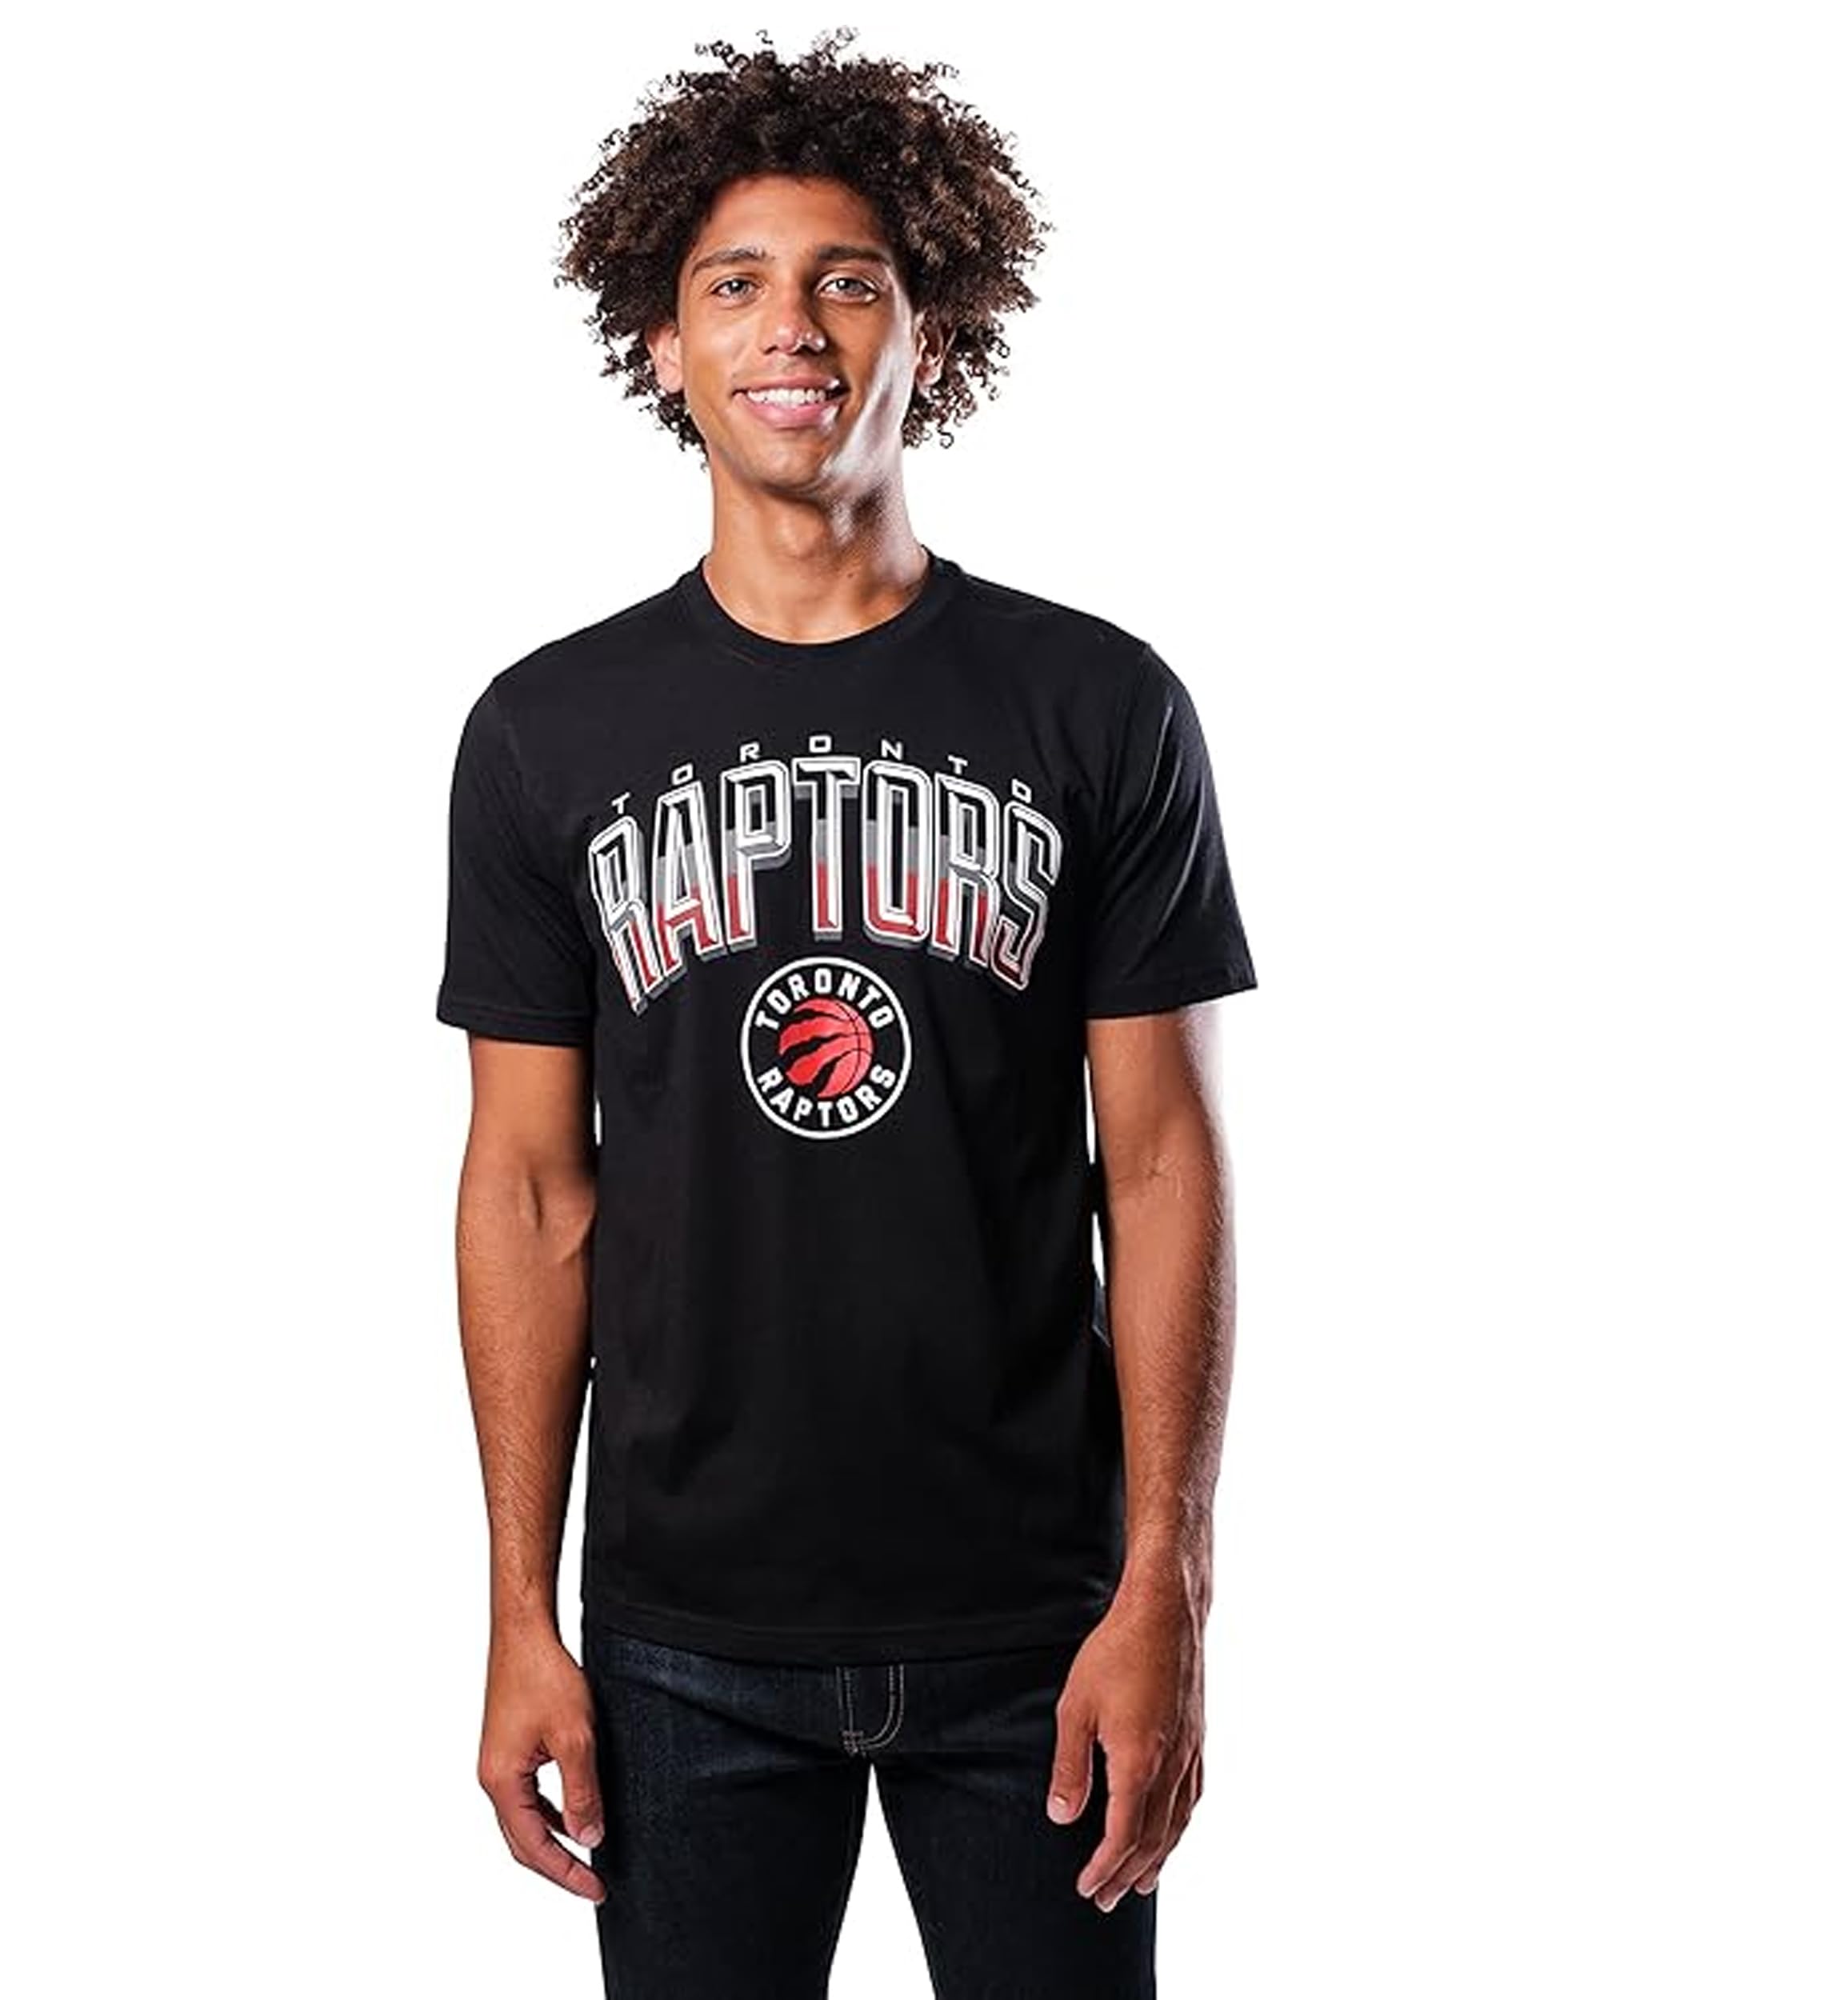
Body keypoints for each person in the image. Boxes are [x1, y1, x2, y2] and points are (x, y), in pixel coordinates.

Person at [435, 30, 1258, 1998]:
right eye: (732, 282)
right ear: (662, 344)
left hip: (1034, 1621)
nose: (789, 326)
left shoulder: (1098, 706)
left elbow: (1156, 1163)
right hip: (678, 1636)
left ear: (929, 327)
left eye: (847, 279)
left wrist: (1166, 1584)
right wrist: (516, 1609)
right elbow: (531, 1189)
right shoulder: (545, 729)